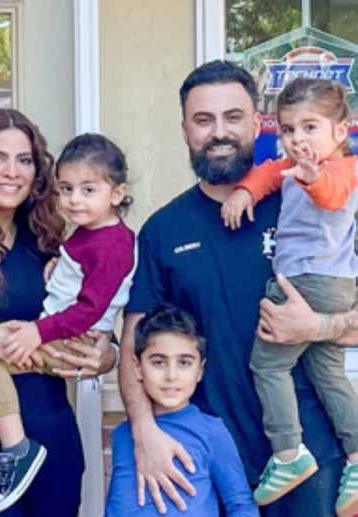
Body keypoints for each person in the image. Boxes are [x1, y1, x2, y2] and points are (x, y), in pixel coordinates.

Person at [119, 60, 358, 517]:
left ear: (257, 124)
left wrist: (317, 326)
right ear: (185, 130)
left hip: (314, 454)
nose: (219, 132)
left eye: (233, 117)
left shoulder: (315, 206)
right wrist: (144, 431)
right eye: (203, 120)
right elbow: (135, 339)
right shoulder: (164, 230)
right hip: (206, 454)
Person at [0, 108, 117, 517]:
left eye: (24, 160)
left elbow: (92, 319)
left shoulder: (51, 244)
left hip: (50, 439)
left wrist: (105, 355)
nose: (12, 172)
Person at [220, 77, 358, 514]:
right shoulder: (293, 166)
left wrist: (314, 178)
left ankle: (287, 452)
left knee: (268, 364)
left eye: (310, 127)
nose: (298, 139)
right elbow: (268, 173)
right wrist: (245, 190)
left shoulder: (343, 169)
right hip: (330, 284)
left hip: (310, 281)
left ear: (341, 130)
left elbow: (333, 196)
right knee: (328, 374)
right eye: (288, 129)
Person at [106, 305, 258, 516]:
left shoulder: (212, 431)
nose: (171, 375)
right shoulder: (124, 433)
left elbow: (240, 504)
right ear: (138, 367)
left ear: (200, 370)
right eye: (158, 362)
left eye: (184, 363)